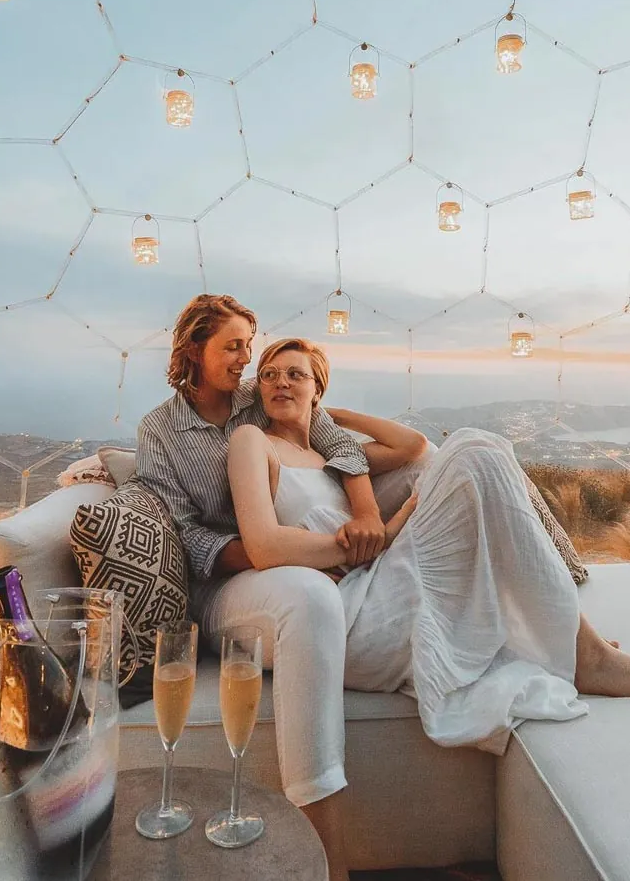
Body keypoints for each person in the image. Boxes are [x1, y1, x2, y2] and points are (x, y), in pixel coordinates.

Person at [227, 336, 630, 879]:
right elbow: (264, 546)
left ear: (317, 387)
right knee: (473, 446)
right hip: (341, 612)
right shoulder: (251, 441)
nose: (281, 383)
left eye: (296, 375)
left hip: (376, 580)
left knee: (479, 445)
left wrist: (327, 416)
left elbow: (412, 445)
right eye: (270, 376)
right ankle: (581, 651)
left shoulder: (336, 456)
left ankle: (575, 641)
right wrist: (366, 543)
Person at [136, 295, 428, 881]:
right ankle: (325, 854)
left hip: (299, 552)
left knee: (437, 468)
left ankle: (542, 623)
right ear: (194, 349)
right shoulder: (160, 431)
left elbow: (338, 449)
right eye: (234, 347)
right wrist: (286, 553)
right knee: (308, 593)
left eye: (251, 344)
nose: (248, 360)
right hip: (228, 582)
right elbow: (183, 533)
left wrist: (327, 413)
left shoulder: (261, 399)